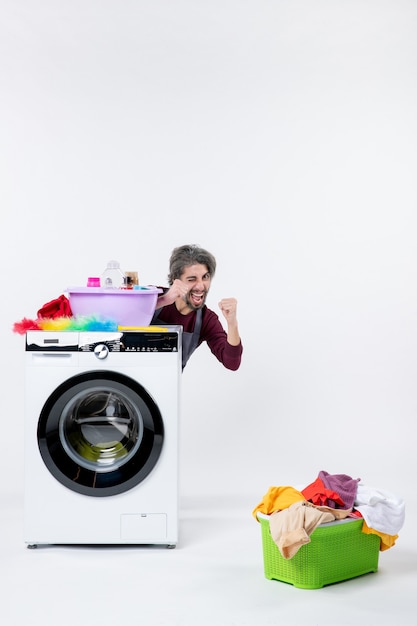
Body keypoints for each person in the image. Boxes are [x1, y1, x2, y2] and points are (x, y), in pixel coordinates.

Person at [152, 244, 243, 370]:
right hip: (124, 385)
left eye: (205, 277)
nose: (201, 286)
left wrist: (232, 323)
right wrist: (163, 300)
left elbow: (232, 363)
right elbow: (118, 322)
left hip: (166, 386)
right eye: (192, 279)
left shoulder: (206, 320)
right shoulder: (151, 296)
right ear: (175, 280)